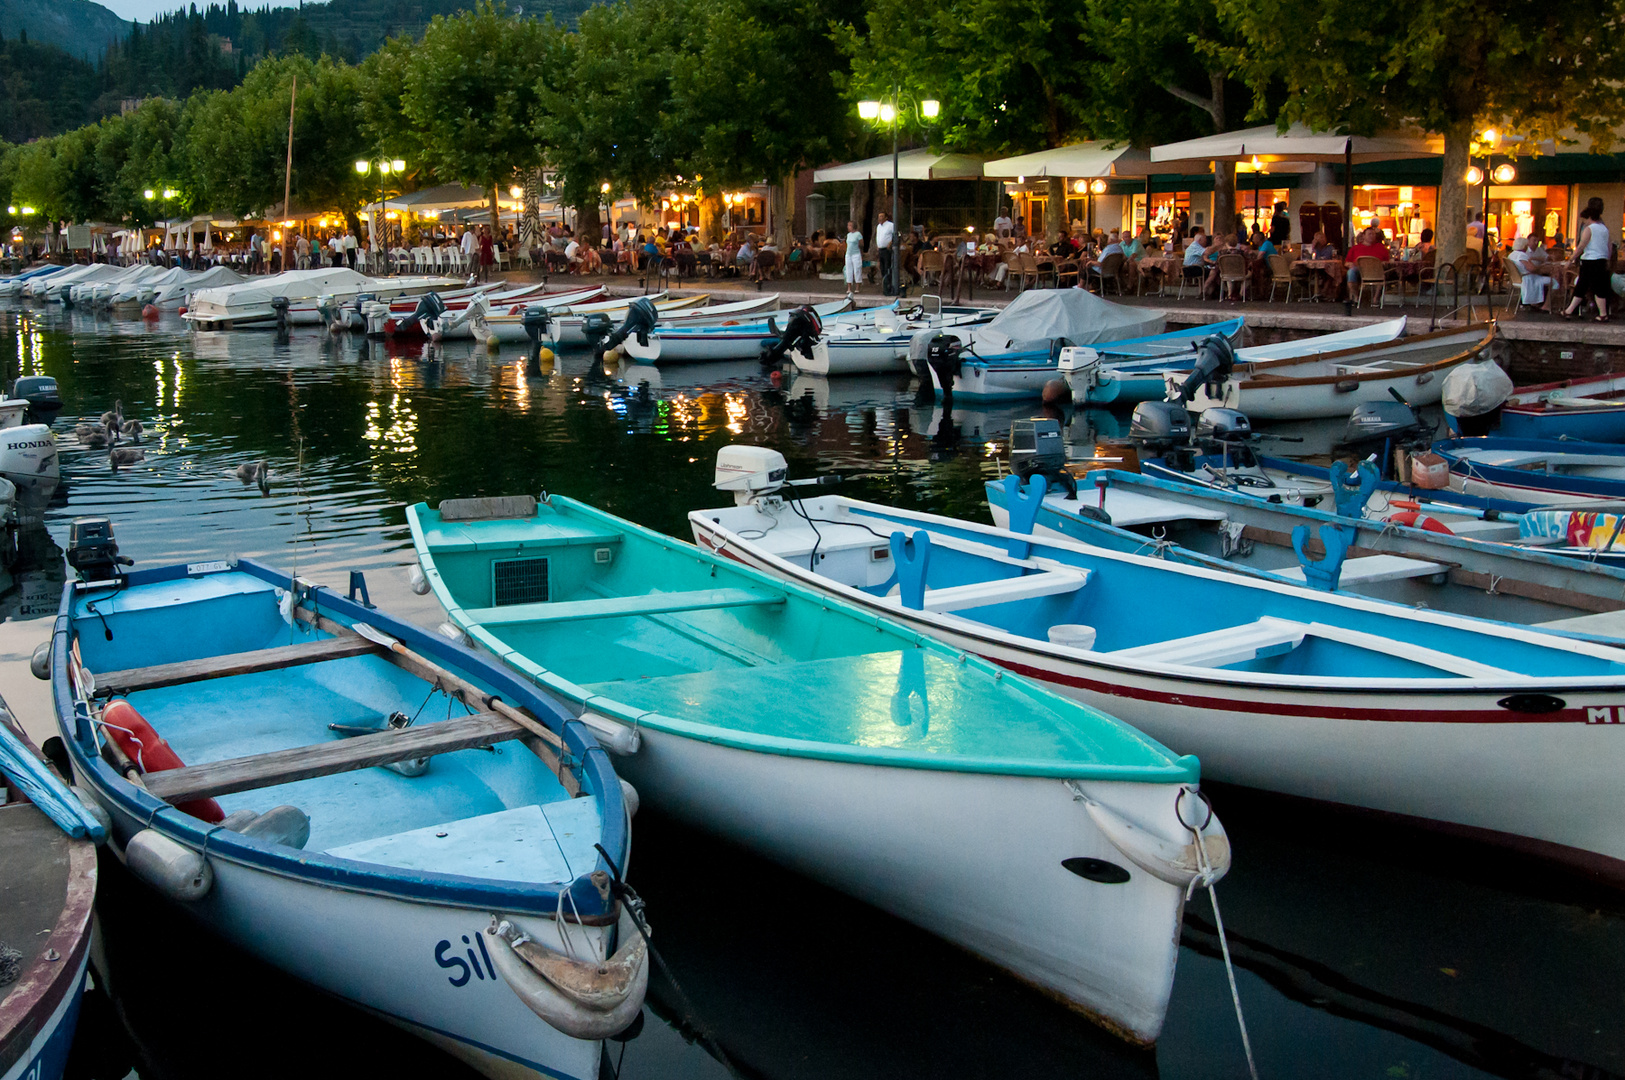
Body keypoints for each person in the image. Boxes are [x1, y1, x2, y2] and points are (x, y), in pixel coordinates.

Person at [1563, 204, 1614, 321]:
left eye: (1585, 219)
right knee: (1584, 285)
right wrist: (1608, 259)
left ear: (1589, 217)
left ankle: (1603, 314)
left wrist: (1571, 259)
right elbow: (1609, 246)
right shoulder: (1604, 229)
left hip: (1590, 260)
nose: (1584, 221)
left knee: (1591, 286)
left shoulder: (1589, 229)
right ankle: (1569, 310)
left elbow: (1581, 246)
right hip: (1601, 259)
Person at [1508, 237, 1555, 313]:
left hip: (1518, 279)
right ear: (1524, 246)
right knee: (1554, 282)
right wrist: (1541, 267)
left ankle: (1538, 303)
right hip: (1528, 279)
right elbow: (1532, 269)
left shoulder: (1511, 255)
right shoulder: (1522, 255)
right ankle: (1546, 305)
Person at [874, 211, 896, 295]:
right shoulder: (878, 226)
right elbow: (878, 236)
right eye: (879, 216)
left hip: (887, 250)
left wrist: (890, 243)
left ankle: (889, 285)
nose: (880, 218)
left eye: (882, 216)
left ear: (886, 217)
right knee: (882, 268)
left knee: (887, 267)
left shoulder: (890, 225)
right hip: (880, 249)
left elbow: (895, 235)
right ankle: (885, 285)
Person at [843, 219, 864, 295]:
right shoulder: (848, 235)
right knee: (849, 270)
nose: (848, 227)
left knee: (857, 270)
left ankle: (857, 287)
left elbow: (861, 244)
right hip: (849, 254)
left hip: (856, 254)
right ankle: (849, 288)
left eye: (850, 225)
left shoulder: (858, 234)